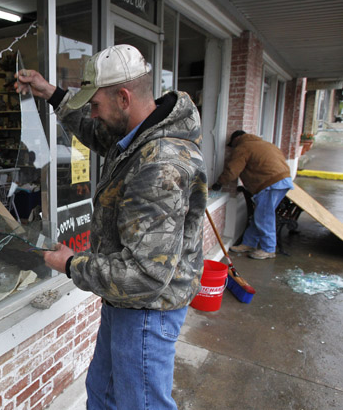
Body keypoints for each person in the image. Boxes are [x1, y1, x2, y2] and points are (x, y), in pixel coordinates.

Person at [16, 44, 207, 410]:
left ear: (123, 97)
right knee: (103, 393)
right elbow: (94, 133)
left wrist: (71, 264)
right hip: (125, 304)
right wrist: (51, 93)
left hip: (146, 311)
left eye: (96, 104)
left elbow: (145, 276)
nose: (93, 113)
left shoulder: (158, 166)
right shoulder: (138, 135)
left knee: (142, 403)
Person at [211, 130, 293, 259]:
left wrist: (219, 182)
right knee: (260, 215)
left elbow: (232, 170)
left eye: (232, 145)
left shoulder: (243, 147)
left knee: (264, 216)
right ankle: (249, 243)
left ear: (236, 139)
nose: (232, 148)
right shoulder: (264, 144)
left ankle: (268, 249)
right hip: (282, 181)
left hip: (270, 183)